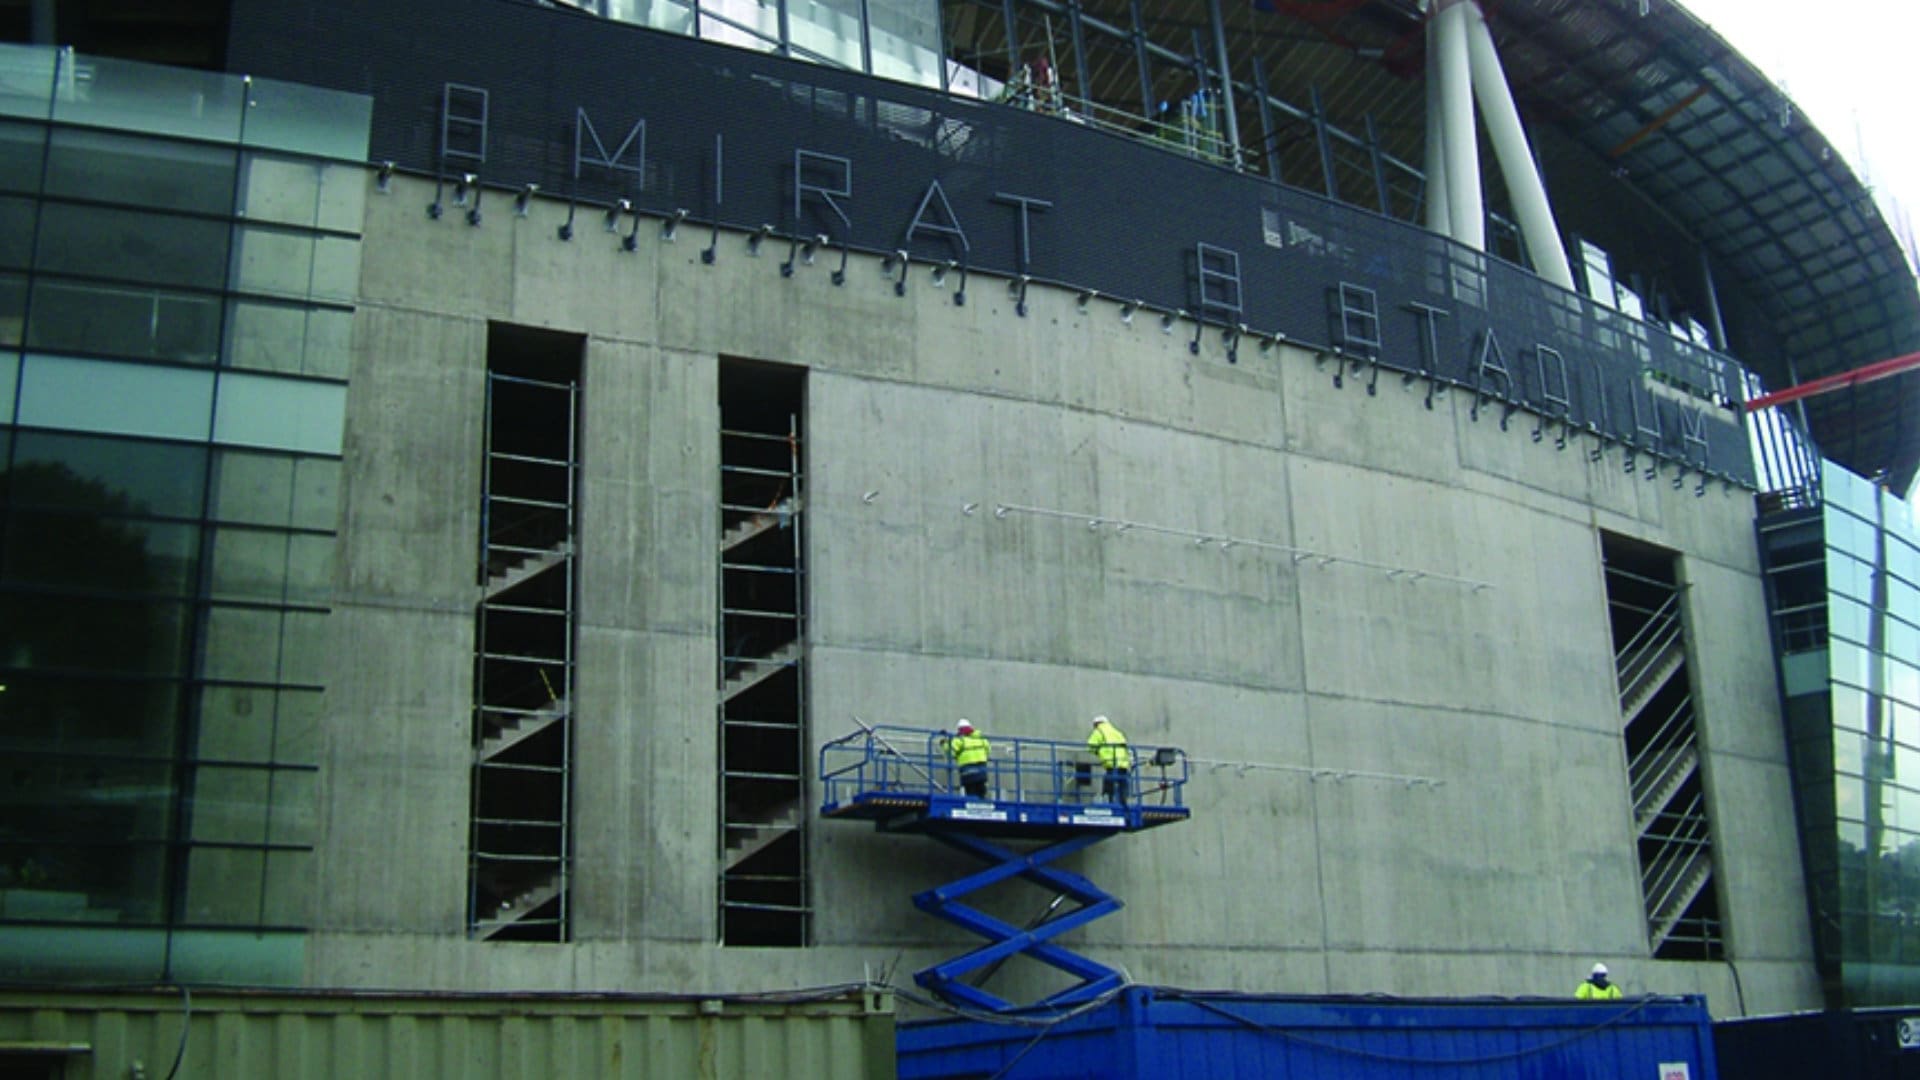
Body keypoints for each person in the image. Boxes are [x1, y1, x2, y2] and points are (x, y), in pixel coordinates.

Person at [1088, 715, 1132, 804]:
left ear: (1097, 724)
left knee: (1109, 783)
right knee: (1123, 784)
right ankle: (1125, 803)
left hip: (1111, 763)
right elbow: (1125, 746)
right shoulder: (1117, 732)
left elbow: (1091, 745)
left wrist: (1097, 752)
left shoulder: (1099, 731)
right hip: (1123, 763)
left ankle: (1108, 802)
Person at [943, 720, 991, 798]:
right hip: (982, 771)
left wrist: (944, 742)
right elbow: (988, 750)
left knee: (970, 794)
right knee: (981, 793)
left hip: (968, 772)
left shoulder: (960, 740)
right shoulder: (981, 739)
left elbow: (950, 751)